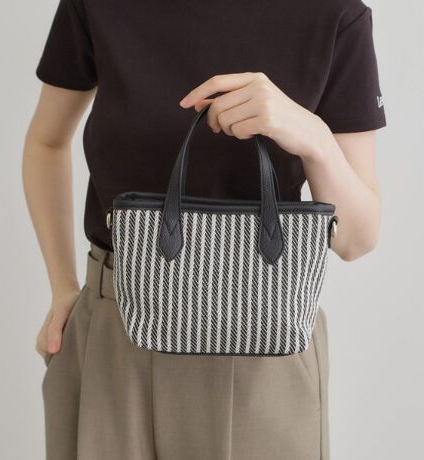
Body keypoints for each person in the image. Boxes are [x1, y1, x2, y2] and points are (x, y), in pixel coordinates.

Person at [23, 0, 386, 459]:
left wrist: (313, 136)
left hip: (267, 343)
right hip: (114, 332)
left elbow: (357, 238)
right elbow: (46, 140)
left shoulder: (334, 14)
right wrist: (62, 286)